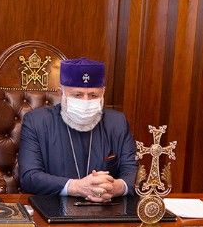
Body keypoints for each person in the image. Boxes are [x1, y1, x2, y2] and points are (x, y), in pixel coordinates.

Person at [19, 58, 137, 201]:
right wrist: (76, 187)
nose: (85, 101)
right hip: (54, 206)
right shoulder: (36, 121)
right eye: (77, 95)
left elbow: (132, 172)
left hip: (105, 206)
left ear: (103, 93)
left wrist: (114, 187)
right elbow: (29, 177)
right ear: (61, 93)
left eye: (93, 95)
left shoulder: (117, 122)